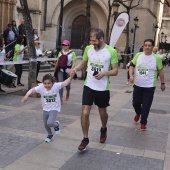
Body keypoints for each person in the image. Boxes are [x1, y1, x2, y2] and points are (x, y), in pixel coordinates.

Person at [70, 28, 118, 151]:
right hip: (89, 85)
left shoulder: (111, 51)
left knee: (103, 112)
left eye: (94, 41)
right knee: (85, 113)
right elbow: (84, 63)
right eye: (90, 41)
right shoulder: (88, 49)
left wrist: (105, 73)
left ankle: (103, 128)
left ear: (101, 39)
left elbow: (115, 70)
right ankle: (85, 138)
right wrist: (75, 69)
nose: (92, 43)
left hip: (102, 88)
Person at [22, 73, 74, 142]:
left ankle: (56, 125)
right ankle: (50, 134)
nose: (47, 85)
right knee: (46, 124)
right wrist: (27, 95)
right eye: (45, 83)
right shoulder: (41, 87)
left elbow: (64, 83)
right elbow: (32, 90)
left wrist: (70, 77)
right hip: (45, 108)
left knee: (50, 123)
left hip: (54, 108)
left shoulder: (56, 86)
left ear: (52, 83)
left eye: (49, 83)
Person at [129, 39, 165, 131]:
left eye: (149, 45)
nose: (147, 47)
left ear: (152, 47)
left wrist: (162, 83)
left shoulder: (156, 58)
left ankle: (143, 123)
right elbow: (132, 66)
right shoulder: (138, 55)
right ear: (143, 46)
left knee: (146, 105)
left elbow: (160, 71)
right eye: (145, 45)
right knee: (135, 103)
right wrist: (131, 76)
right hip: (138, 85)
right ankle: (138, 112)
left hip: (149, 86)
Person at [54, 40, 76, 104]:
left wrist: (71, 70)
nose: (64, 46)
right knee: (61, 84)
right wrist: (55, 70)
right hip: (60, 70)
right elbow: (57, 62)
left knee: (67, 84)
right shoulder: (60, 52)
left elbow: (74, 63)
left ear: (68, 46)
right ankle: (60, 98)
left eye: (65, 45)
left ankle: (68, 91)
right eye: (63, 45)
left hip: (68, 71)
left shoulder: (72, 53)